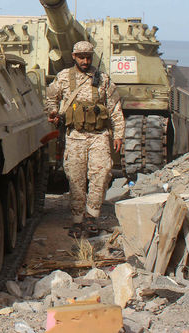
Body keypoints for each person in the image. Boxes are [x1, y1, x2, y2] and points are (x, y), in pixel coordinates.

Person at [45, 41, 125, 238]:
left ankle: (92, 217)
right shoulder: (64, 78)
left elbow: (115, 108)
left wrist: (119, 135)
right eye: (81, 57)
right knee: (76, 179)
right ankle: (77, 220)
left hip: (99, 136)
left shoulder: (103, 80)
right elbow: (50, 97)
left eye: (88, 56)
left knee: (100, 176)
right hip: (75, 137)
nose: (85, 60)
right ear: (74, 57)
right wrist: (53, 111)